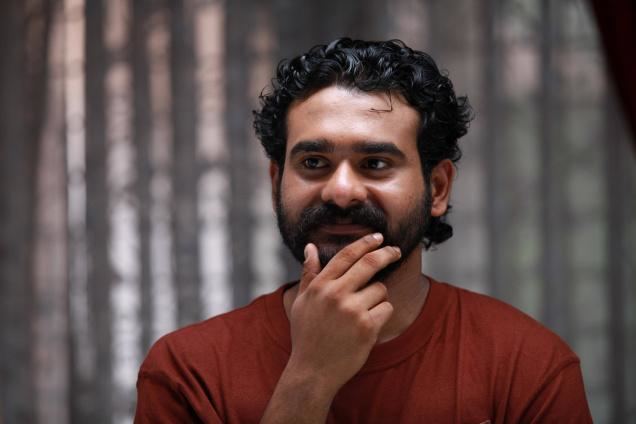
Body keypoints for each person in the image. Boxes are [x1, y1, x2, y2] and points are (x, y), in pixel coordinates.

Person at [134, 38, 592, 423]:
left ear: (437, 187)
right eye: (314, 163)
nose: (342, 191)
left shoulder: (527, 366)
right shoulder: (186, 372)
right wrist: (310, 376)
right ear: (277, 183)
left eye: (375, 164)